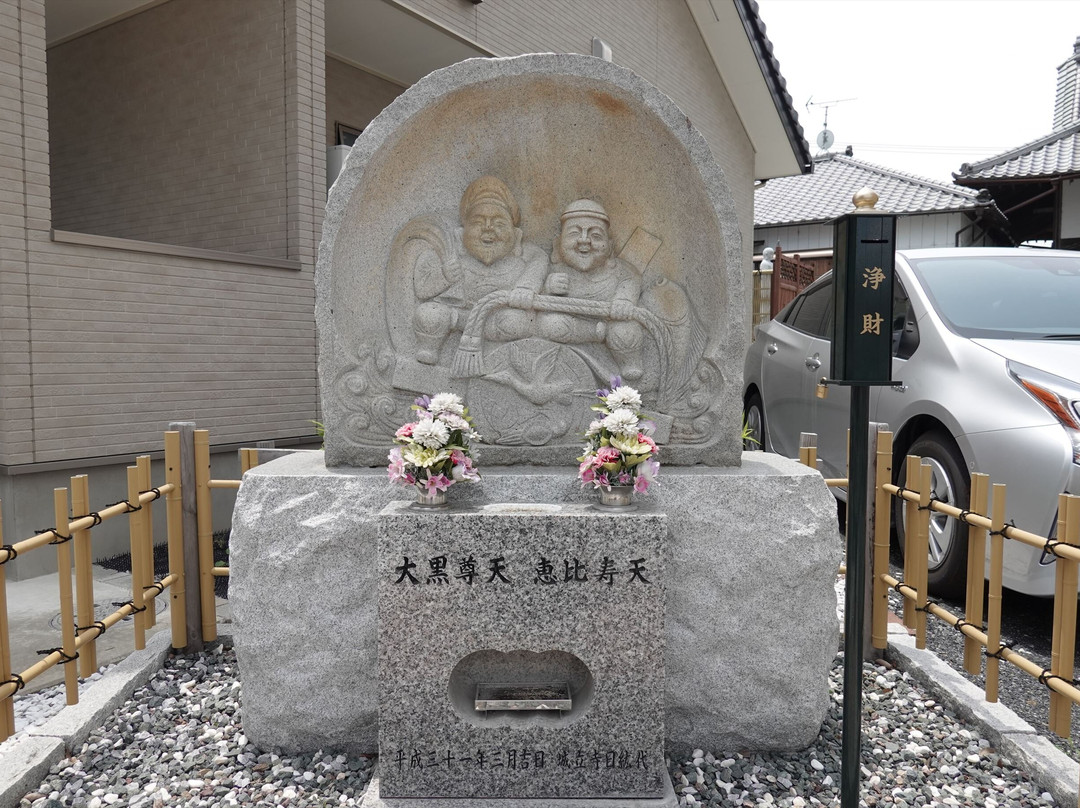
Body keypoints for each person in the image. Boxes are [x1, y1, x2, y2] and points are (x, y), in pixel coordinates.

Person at [412, 176, 547, 364]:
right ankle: (428, 352)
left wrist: (527, 287)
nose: (488, 229)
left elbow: (539, 258)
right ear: (461, 233)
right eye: (477, 223)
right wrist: (444, 276)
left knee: (516, 322)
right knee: (428, 314)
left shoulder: (521, 263)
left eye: (499, 224)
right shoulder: (453, 260)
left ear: (517, 235)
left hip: (496, 322)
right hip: (455, 318)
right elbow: (422, 290)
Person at [538, 199, 644, 380]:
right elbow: (538, 300)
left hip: (614, 323)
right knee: (551, 325)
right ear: (557, 244)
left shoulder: (619, 271)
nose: (584, 240)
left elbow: (631, 279)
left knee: (625, 331)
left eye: (595, 235)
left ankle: (630, 364)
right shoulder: (553, 271)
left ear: (610, 247)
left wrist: (624, 300)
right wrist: (548, 287)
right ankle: (597, 334)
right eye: (574, 233)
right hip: (575, 326)